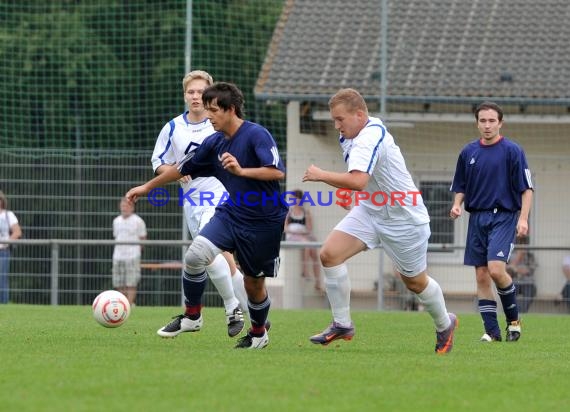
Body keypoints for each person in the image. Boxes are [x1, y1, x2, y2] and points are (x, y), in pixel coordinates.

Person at [126, 82, 287, 349]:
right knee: (195, 255)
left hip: (264, 222)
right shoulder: (214, 143)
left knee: (254, 284)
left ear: (230, 109)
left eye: (214, 110)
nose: (209, 116)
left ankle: (258, 334)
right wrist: (146, 187)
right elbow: (180, 168)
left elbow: (276, 172)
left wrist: (242, 172)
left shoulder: (257, 135)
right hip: (231, 214)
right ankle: (192, 316)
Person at [302, 88, 457, 354]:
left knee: (414, 282)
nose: (336, 126)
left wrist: (321, 174)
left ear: (360, 114)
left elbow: (358, 179)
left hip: (404, 219)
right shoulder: (350, 134)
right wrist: (350, 194)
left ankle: (445, 323)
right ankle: (342, 324)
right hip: (371, 211)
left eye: (340, 119)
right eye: (334, 120)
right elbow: (365, 181)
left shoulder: (369, 136)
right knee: (329, 254)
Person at [151, 70, 248, 338]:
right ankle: (258, 319)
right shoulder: (172, 127)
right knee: (223, 262)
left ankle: (230, 309)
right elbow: (158, 162)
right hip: (192, 202)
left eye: (200, 92)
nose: (195, 97)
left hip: (219, 198)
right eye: (190, 92)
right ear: (185, 95)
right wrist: (174, 171)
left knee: (208, 253)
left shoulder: (220, 123)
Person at [450, 101, 534, 342]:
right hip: (477, 218)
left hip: (504, 217)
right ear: (477, 123)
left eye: (491, 121)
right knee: (481, 275)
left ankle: (514, 321)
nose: (487, 125)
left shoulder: (512, 151)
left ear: (500, 123)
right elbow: (461, 186)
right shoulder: (468, 152)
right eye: (482, 121)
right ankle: (492, 332)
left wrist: (523, 219)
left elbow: (527, 189)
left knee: (497, 269)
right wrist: (457, 204)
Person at [284, 189, 322, 291]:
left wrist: (302, 233)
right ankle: (305, 271)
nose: (295, 200)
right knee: (306, 243)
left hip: (303, 236)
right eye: (294, 198)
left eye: (297, 198)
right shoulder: (289, 211)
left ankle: (318, 283)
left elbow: (309, 229)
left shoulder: (306, 212)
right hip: (292, 237)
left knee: (314, 254)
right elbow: (285, 228)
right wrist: (296, 232)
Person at [112, 197, 147, 305]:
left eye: (126, 206)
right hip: (118, 255)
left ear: (132, 207)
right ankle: (122, 304)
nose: (124, 208)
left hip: (132, 256)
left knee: (131, 282)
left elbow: (143, 238)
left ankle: (129, 304)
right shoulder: (116, 221)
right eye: (122, 206)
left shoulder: (138, 221)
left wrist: (137, 252)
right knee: (119, 282)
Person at [0, 191, 22, 304]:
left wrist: (5, 243)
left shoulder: (8, 215)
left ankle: (3, 305)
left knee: (1, 278)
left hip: (3, 251)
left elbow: (17, 232)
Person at [506, 236, 537, 313]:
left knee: (531, 290)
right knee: (508, 291)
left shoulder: (530, 256)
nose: (522, 245)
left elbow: (528, 271)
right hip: (514, 282)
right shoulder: (510, 255)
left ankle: (522, 312)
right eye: (520, 243)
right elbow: (507, 271)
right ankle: (512, 313)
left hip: (527, 283)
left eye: (524, 243)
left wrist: (515, 269)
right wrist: (518, 258)